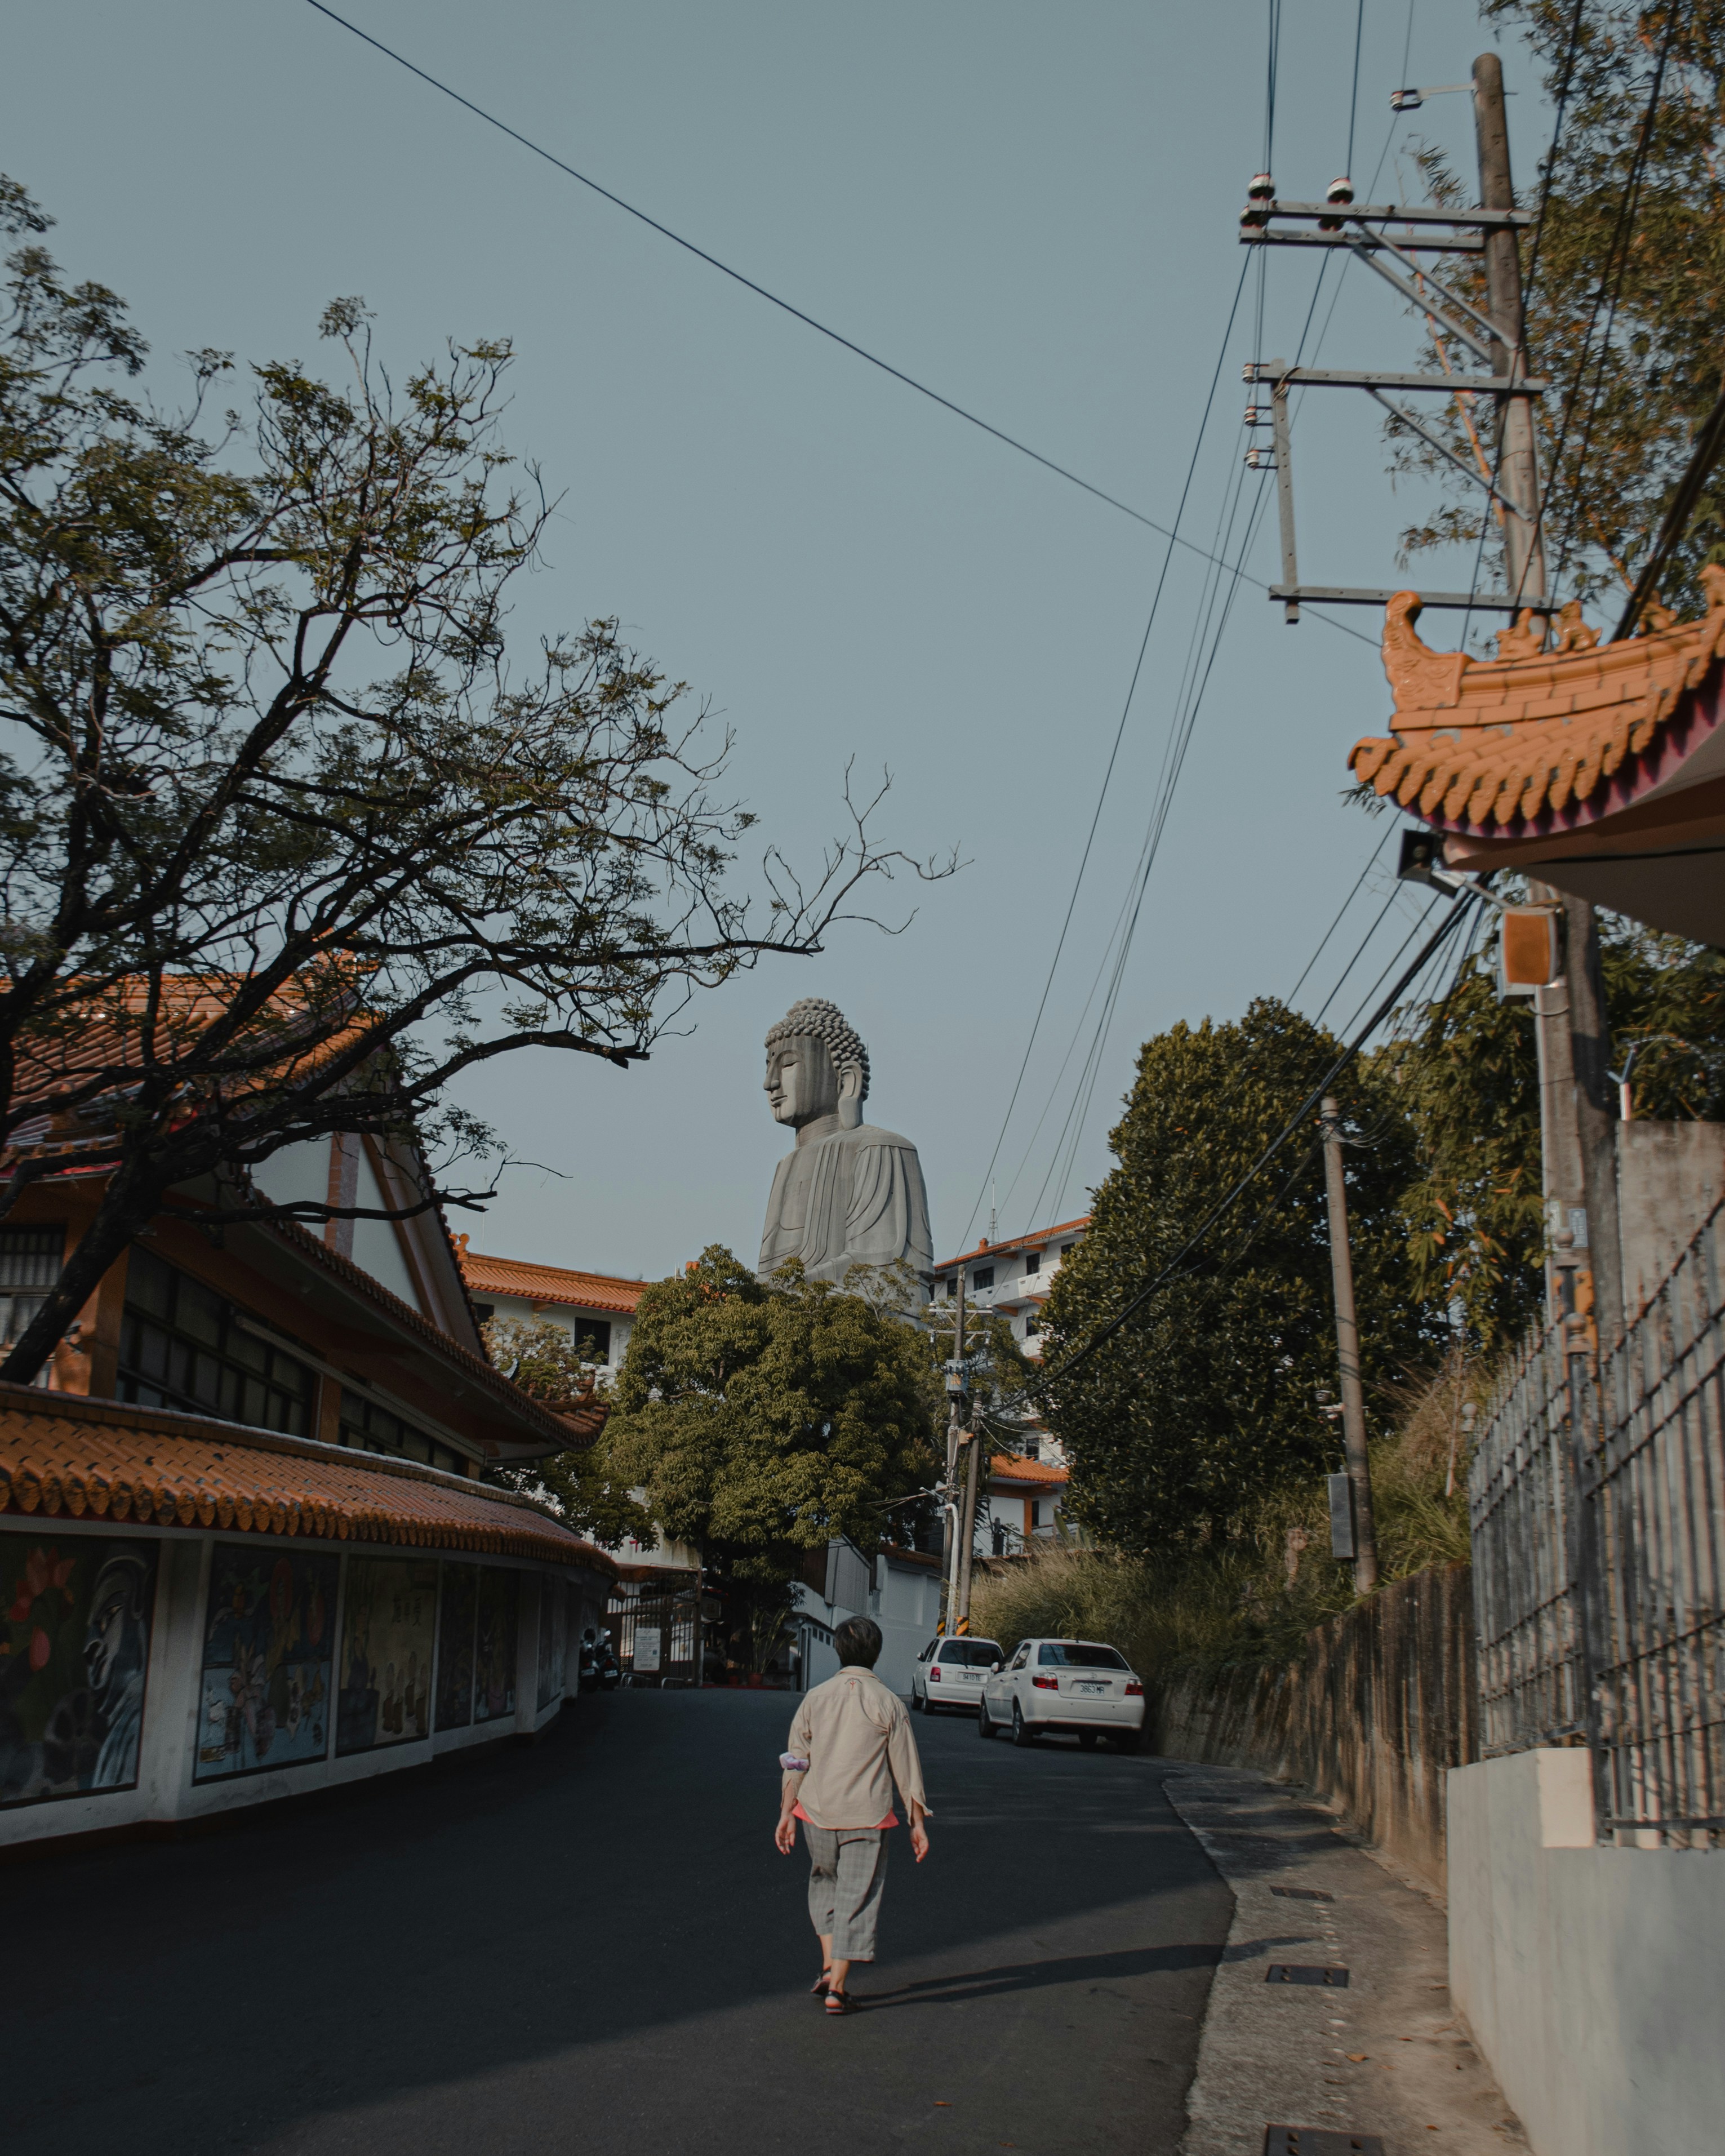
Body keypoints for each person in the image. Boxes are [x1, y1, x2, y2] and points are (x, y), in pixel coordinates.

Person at [774, 1615, 930, 2015]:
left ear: (839, 1649)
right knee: (856, 1896)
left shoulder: (815, 1697)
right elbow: (906, 1768)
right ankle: (838, 1988)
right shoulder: (889, 1703)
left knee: (823, 1882)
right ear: (876, 1653)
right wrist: (917, 1823)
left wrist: (787, 1813)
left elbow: (796, 1761)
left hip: (817, 1812)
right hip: (867, 1817)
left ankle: (829, 1963)